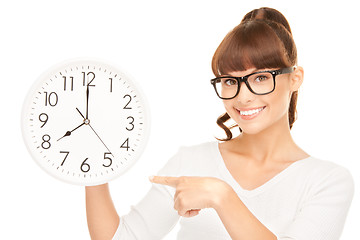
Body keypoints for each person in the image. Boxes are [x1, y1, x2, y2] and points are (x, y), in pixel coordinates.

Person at [85, 7, 354, 240]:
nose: (243, 96)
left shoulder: (327, 181)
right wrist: (91, 166)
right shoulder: (190, 161)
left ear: (295, 78)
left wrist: (222, 196)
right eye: (229, 81)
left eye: (260, 77)